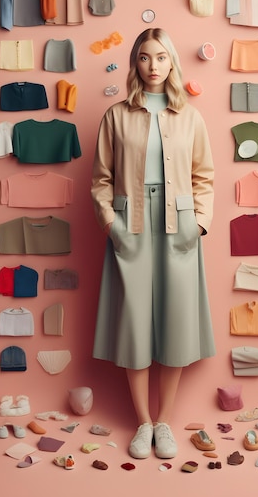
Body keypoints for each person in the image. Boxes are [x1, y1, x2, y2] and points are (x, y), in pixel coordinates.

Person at [91, 28, 215, 460]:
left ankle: (165, 422)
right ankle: (143, 422)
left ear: (172, 62)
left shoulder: (190, 116)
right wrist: (112, 225)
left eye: (161, 57)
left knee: (176, 321)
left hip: (178, 227)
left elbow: (204, 176)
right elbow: (100, 181)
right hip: (132, 226)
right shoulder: (115, 115)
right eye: (145, 58)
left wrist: (198, 224)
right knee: (134, 323)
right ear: (135, 63)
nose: (154, 66)